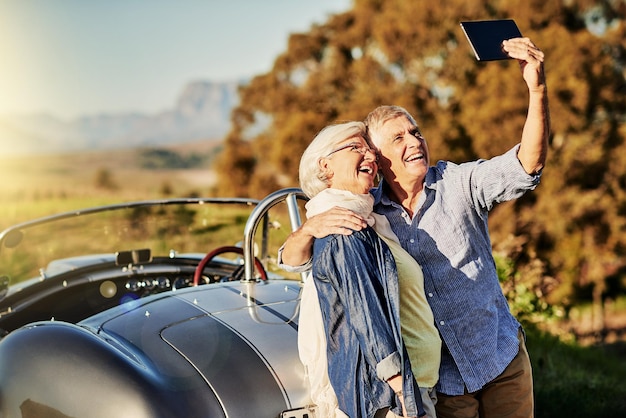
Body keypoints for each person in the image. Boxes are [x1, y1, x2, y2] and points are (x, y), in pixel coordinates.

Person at [281, 37, 550, 418]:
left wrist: (536, 90)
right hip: (443, 384)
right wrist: (307, 230)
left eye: (416, 131)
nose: (415, 141)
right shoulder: (367, 212)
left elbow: (527, 164)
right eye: (399, 138)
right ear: (378, 157)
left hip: (500, 359)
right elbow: (298, 264)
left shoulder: (458, 183)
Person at [295, 120, 434, 418]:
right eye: (356, 148)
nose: (370, 156)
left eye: (371, 150)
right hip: (388, 400)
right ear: (326, 166)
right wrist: (403, 392)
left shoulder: (367, 217)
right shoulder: (345, 226)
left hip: (408, 389)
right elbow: (367, 314)